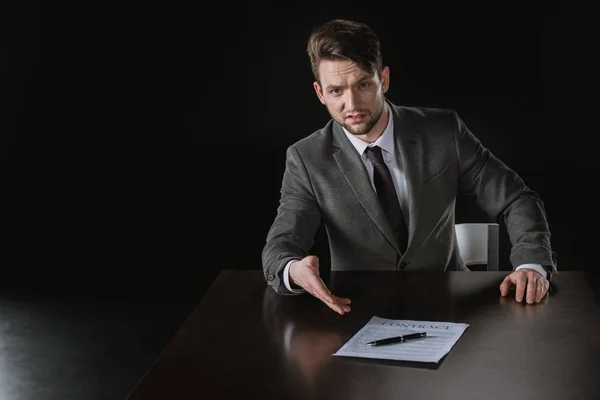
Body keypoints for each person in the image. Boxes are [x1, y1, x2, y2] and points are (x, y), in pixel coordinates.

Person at [261, 18, 557, 315]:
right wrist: (292, 270)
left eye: (363, 84)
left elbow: (516, 199)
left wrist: (531, 265)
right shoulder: (306, 157)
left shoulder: (444, 131)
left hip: (451, 304)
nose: (351, 104)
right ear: (320, 93)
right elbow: (282, 244)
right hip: (356, 313)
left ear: (384, 80)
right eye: (336, 91)